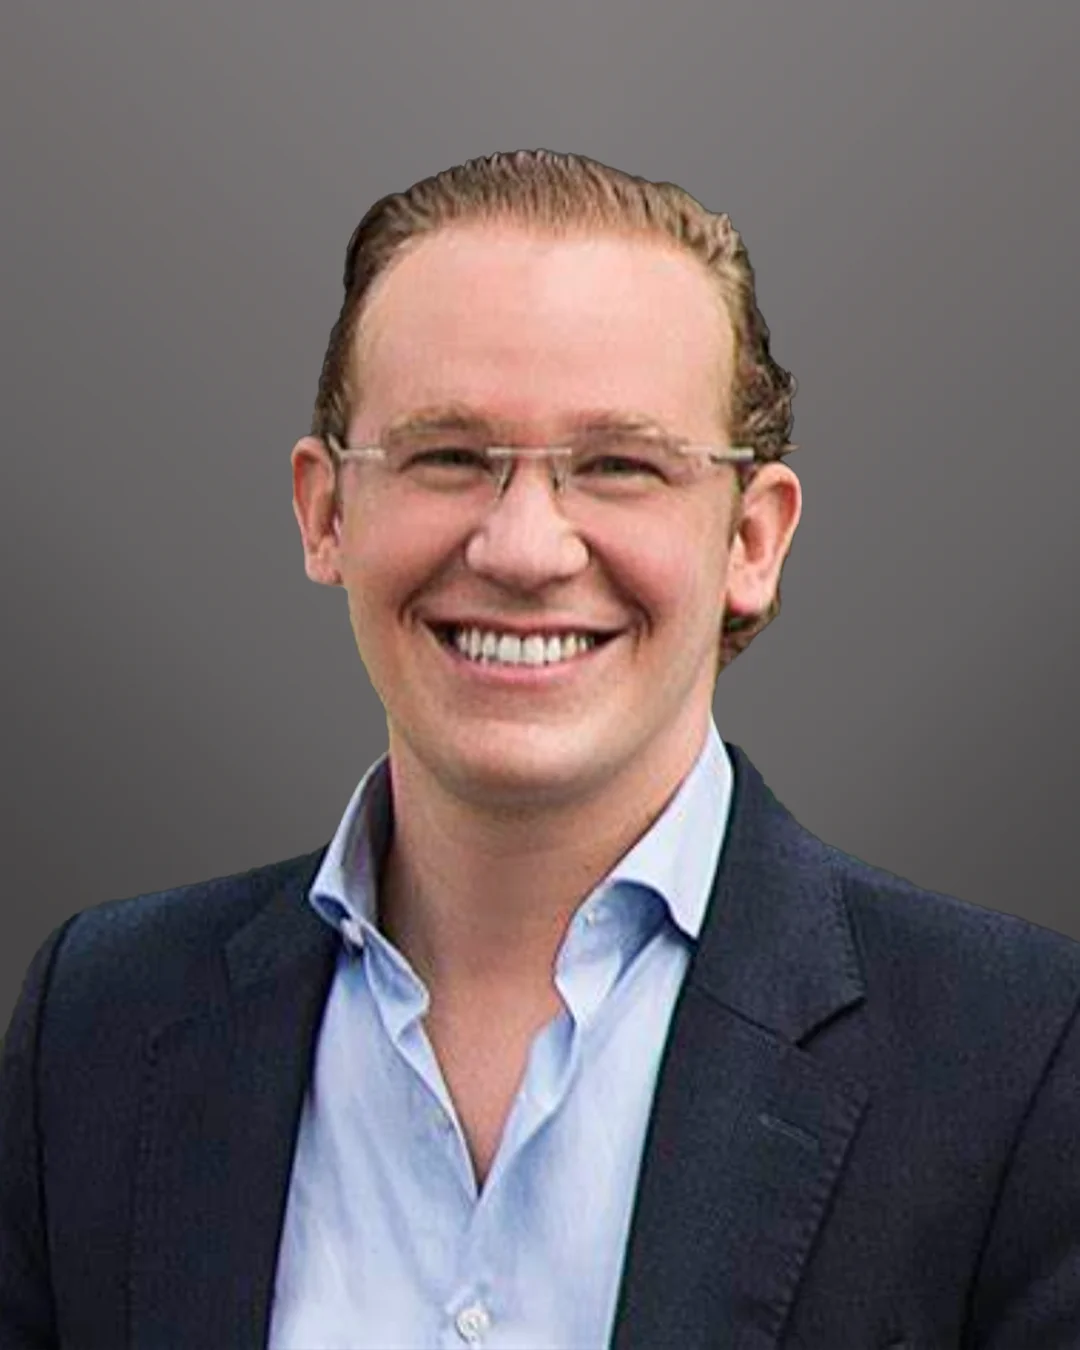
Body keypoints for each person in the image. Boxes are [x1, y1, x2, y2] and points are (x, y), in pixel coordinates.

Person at [2, 149, 1078, 1350]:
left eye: (619, 466)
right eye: (448, 456)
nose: (522, 548)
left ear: (752, 541)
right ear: (326, 511)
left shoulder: (1021, 1061)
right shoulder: (97, 1025)